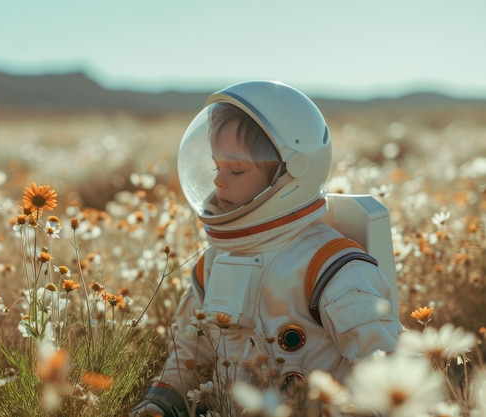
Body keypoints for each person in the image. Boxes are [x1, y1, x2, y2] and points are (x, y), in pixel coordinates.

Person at [131, 81, 403, 417]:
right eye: (217, 166)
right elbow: (189, 351)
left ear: (290, 174)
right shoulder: (214, 262)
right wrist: (161, 403)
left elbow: (387, 377)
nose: (219, 181)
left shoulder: (331, 268)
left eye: (237, 169)